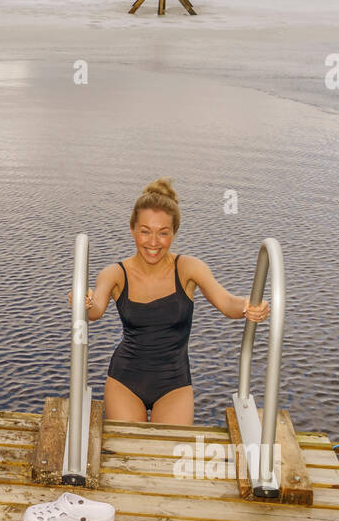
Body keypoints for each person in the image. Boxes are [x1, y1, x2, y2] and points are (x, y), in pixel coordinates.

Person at [75, 178, 269, 425]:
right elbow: (95, 311)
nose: (153, 242)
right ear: (133, 228)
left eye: (163, 233)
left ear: (174, 233)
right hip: (125, 380)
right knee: (130, 452)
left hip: (174, 385)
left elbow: (227, 303)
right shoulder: (115, 273)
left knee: (169, 454)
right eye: (145, 231)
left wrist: (248, 306)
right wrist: (85, 301)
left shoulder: (189, 269)